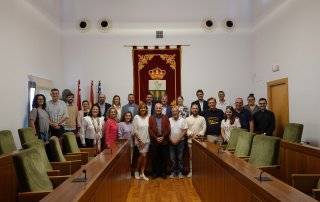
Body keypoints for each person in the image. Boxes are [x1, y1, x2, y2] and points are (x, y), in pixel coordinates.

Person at [149, 103, 171, 179]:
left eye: (159, 108)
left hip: (164, 141)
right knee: (155, 158)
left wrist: (163, 137)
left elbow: (168, 129)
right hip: (154, 141)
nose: (158, 109)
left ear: (162, 109)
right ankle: (155, 173)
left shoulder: (165, 117)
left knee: (164, 158)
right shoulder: (151, 118)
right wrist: (156, 138)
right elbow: (150, 130)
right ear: (155, 109)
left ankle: (163, 173)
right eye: (157, 108)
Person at [186, 104, 206, 177]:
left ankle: (200, 172)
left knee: (200, 157)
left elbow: (204, 128)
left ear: (198, 109)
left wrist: (199, 135)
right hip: (190, 141)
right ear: (191, 109)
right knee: (191, 157)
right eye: (193, 108)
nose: (195, 110)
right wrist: (191, 134)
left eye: (196, 108)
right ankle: (191, 171)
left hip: (200, 141)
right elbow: (186, 129)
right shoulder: (187, 119)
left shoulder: (202, 118)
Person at [132, 103, 150, 181]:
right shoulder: (136, 117)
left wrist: (145, 141)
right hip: (139, 140)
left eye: (144, 108)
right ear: (139, 109)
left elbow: (149, 130)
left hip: (147, 140)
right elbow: (134, 130)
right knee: (141, 155)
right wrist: (140, 141)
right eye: (141, 108)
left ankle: (142, 173)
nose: (143, 109)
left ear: (146, 109)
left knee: (144, 156)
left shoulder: (148, 117)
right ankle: (136, 171)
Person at [169, 106, 188, 179]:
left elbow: (184, 130)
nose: (174, 112)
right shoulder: (169, 120)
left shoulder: (183, 120)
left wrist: (178, 140)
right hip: (171, 142)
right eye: (173, 111)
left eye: (176, 111)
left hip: (181, 142)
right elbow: (167, 131)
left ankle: (180, 172)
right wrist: (171, 139)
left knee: (180, 158)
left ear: (179, 112)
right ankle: (173, 172)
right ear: (172, 112)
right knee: (172, 158)